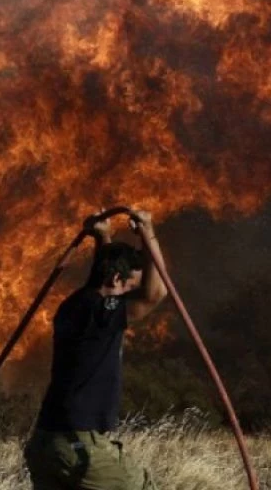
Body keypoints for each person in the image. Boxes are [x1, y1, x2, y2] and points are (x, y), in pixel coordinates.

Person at [24, 209, 168, 489]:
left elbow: (100, 277)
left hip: (46, 443)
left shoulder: (76, 304)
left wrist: (103, 236)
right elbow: (155, 294)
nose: (130, 295)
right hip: (79, 447)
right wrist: (148, 232)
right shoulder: (101, 312)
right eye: (129, 287)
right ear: (116, 280)